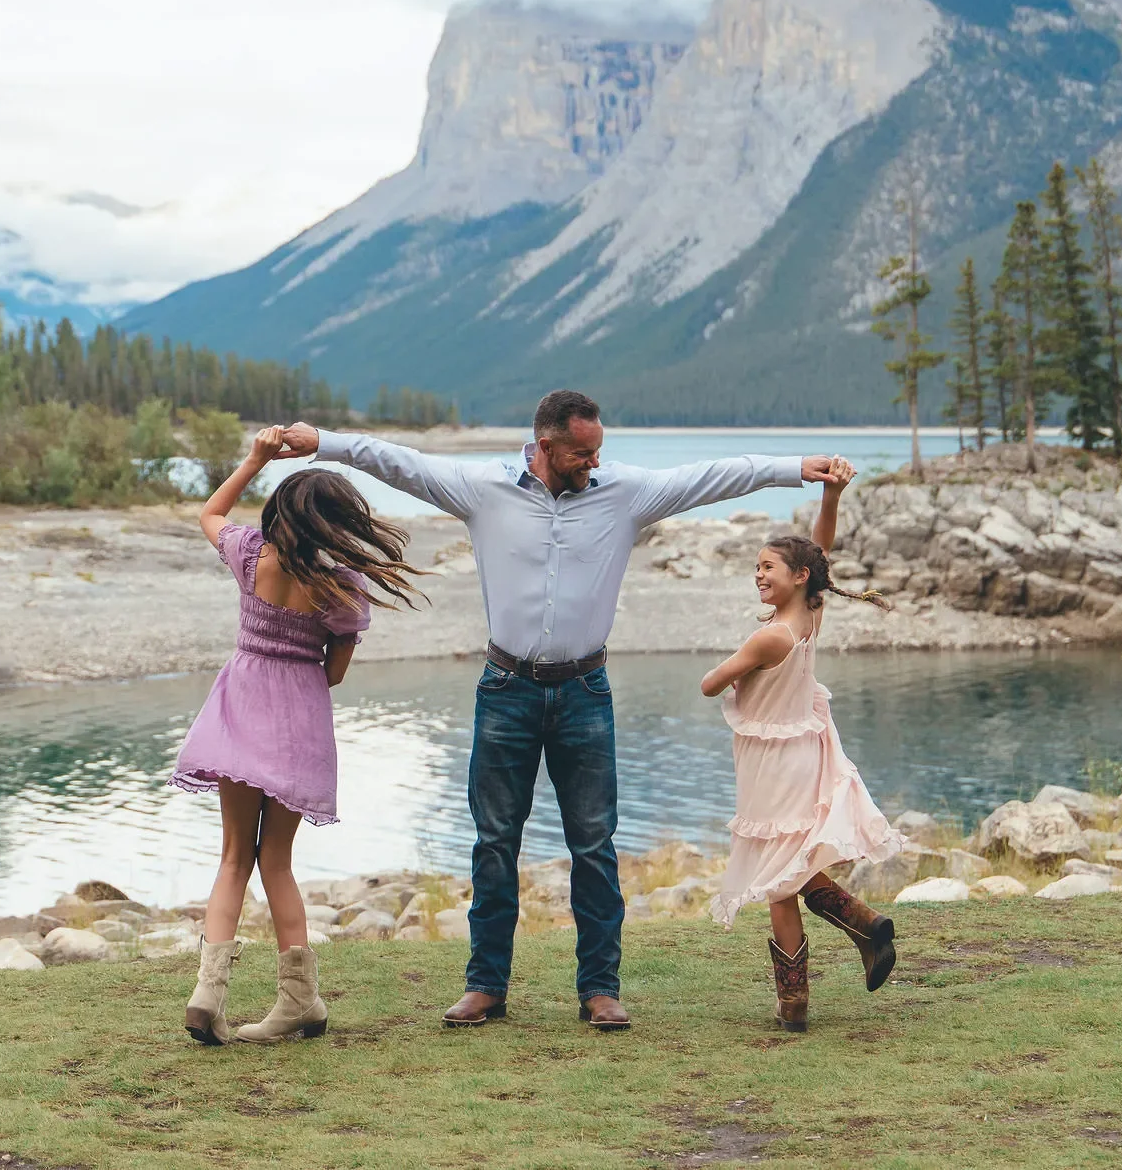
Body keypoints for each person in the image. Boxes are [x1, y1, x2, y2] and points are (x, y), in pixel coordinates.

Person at [280, 391, 843, 1031]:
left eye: (599, 449)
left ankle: (600, 989)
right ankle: (485, 985)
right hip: (505, 690)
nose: (595, 461)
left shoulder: (623, 492)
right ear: (546, 445)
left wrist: (799, 466)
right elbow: (398, 462)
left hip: (585, 692)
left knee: (595, 846)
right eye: (583, 451)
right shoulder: (480, 487)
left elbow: (713, 476)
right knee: (494, 843)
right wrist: (320, 441)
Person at [171, 425, 424, 1045]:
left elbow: (210, 511)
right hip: (297, 719)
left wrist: (255, 456)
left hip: (238, 710)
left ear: (280, 513)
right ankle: (299, 1001)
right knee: (276, 862)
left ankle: (210, 991)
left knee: (234, 858)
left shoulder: (250, 554)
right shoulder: (341, 587)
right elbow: (332, 673)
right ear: (338, 527)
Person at [698, 460, 905, 1032]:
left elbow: (709, 683)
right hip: (801, 753)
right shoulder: (810, 612)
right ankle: (862, 929)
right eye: (755, 567)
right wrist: (831, 497)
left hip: (773, 765)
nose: (758, 575)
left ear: (797, 578)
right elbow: (820, 550)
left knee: (778, 880)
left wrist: (737, 666)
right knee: (784, 870)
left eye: (767, 568)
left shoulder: (770, 635)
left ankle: (797, 1001)